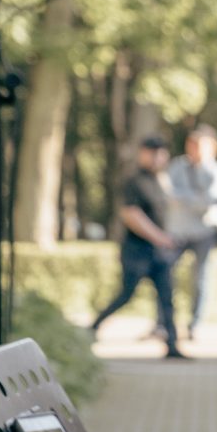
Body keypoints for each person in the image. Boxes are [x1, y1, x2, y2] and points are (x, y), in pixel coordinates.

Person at [89, 133, 184, 359]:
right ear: (143, 153)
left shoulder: (161, 181)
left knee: (167, 297)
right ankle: (93, 326)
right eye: (153, 153)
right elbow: (131, 214)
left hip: (159, 252)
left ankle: (172, 345)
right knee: (126, 294)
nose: (158, 158)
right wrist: (159, 237)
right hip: (137, 250)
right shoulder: (134, 181)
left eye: (161, 153)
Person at [164, 125, 217, 341]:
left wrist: (183, 198)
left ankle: (195, 324)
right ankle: (164, 322)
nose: (195, 149)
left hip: (204, 232)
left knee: (201, 278)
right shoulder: (177, 166)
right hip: (178, 231)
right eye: (191, 145)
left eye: (200, 146)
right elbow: (167, 193)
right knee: (165, 274)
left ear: (212, 148)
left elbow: (211, 200)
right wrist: (195, 198)